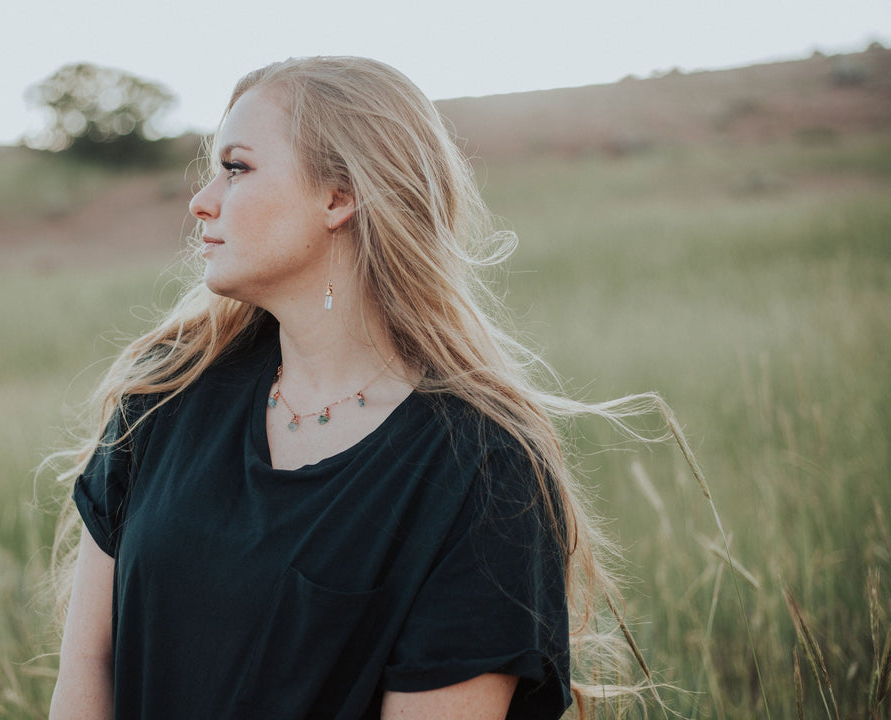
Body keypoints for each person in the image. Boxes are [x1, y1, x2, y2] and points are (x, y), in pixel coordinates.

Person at [49, 56, 647, 720]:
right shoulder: (165, 390)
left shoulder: (481, 475)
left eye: (237, 168)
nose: (202, 201)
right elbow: (86, 663)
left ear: (338, 197)